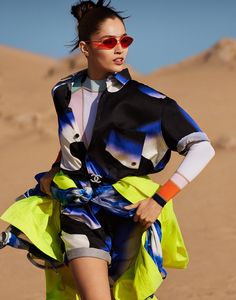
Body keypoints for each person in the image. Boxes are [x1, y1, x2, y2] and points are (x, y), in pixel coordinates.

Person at [38, 0, 215, 299]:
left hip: (128, 214)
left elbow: (202, 147)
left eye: (125, 40)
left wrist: (160, 199)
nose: (120, 48)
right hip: (79, 210)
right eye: (109, 41)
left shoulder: (149, 101)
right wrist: (55, 171)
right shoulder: (62, 91)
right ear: (86, 48)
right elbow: (75, 140)